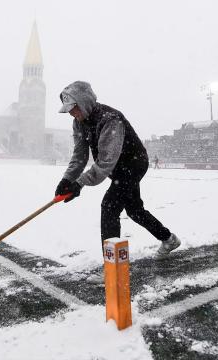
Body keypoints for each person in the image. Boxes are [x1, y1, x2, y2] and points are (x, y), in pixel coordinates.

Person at [54, 81, 180, 266]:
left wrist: (79, 183)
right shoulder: (78, 123)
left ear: (85, 102)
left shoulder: (110, 119)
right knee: (135, 210)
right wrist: (66, 180)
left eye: (74, 108)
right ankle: (169, 239)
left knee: (110, 207)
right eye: (68, 110)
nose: (71, 113)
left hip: (133, 164)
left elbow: (105, 161)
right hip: (116, 169)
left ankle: (113, 268)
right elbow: (79, 156)